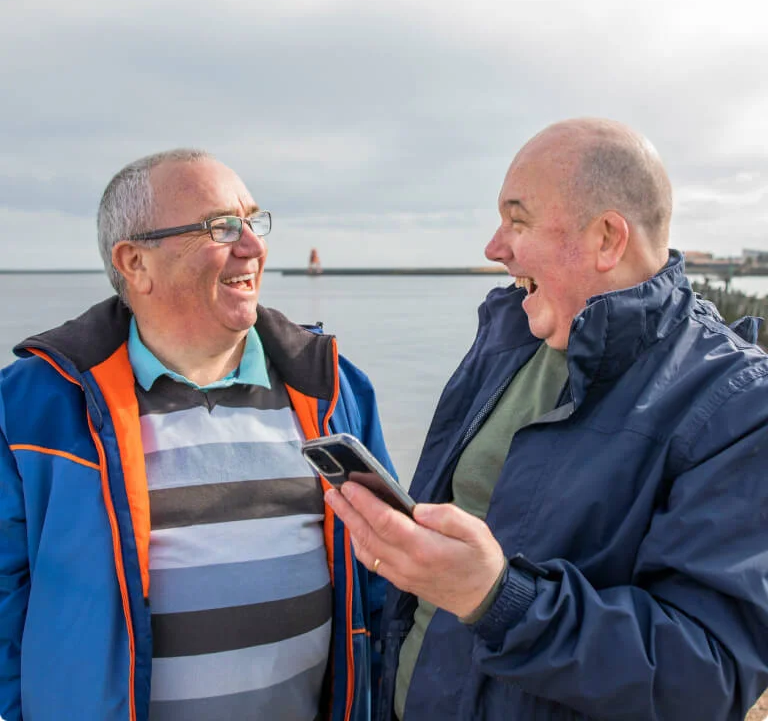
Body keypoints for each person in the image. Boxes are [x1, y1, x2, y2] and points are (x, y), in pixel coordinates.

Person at [325, 118, 768, 720]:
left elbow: (707, 676)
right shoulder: (509, 339)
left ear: (608, 239)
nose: (493, 247)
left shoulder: (736, 401)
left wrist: (498, 599)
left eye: (518, 220)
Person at [0, 149, 395, 721]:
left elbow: (383, 580)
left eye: (253, 221)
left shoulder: (332, 387)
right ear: (135, 262)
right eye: (221, 227)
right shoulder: (33, 406)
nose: (253, 247)